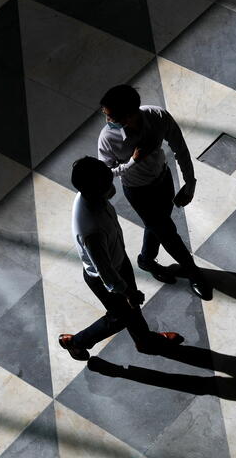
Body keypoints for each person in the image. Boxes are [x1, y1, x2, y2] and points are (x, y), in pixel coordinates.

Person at [58, 156, 182, 361]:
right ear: (94, 190)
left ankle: (144, 341)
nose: (112, 186)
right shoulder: (91, 230)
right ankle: (77, 342)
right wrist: (128, 292)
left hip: (118, 261)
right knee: (120, 317)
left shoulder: (89, 194)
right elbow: (106, 273)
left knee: (130, 312)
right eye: (107, 184)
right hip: (107, 278)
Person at [97, 84, 210, 300]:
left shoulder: (158, 116)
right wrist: (132, 162)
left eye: (111, 117)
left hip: (163, 178)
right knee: (167, 232)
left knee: (157, 224)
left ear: (129, 115)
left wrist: (190, 182)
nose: (107, 122)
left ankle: (146, 260)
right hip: (138, 191)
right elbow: (107, 173)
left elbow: (180, 148)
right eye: (106, 115)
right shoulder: (107, 139)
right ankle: (194, 274)